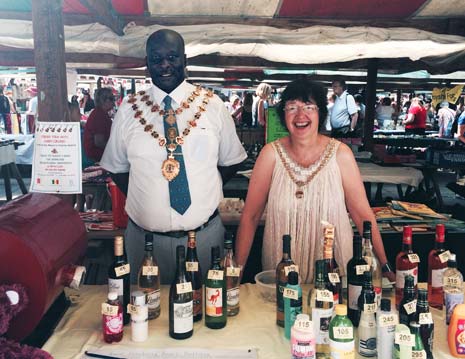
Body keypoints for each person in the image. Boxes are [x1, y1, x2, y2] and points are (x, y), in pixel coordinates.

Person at [100, 29, 247, 284]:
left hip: (203, 239)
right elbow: (118, 169)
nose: (165, 65)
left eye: (172, 57)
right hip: (144, 241)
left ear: (184, 59)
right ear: (147, 64)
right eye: (156, 59)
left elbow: (230, 162)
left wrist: (203, 187)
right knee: (144, 314)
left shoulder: (212, 105)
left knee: (206, 312)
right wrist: (147, 197)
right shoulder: (128, 109)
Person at [235, 79, 395, 284]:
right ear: (283, 115)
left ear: (321, 113)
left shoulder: (341, 154)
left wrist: (385, 265)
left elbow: (363, 215)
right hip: (282, 268)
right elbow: (251, 216)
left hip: (334, 270)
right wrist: (236, 272)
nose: (300, 115)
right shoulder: (270, 155)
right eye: (292, 107)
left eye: (309, 107)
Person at [83, 87, 115, 162]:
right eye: (111, 98)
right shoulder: (99, 115)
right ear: (104, 100)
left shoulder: (101, 113)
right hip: (96, 159)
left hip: (99, 157)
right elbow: (99, 142)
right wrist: (116, 149)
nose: (114, 102)